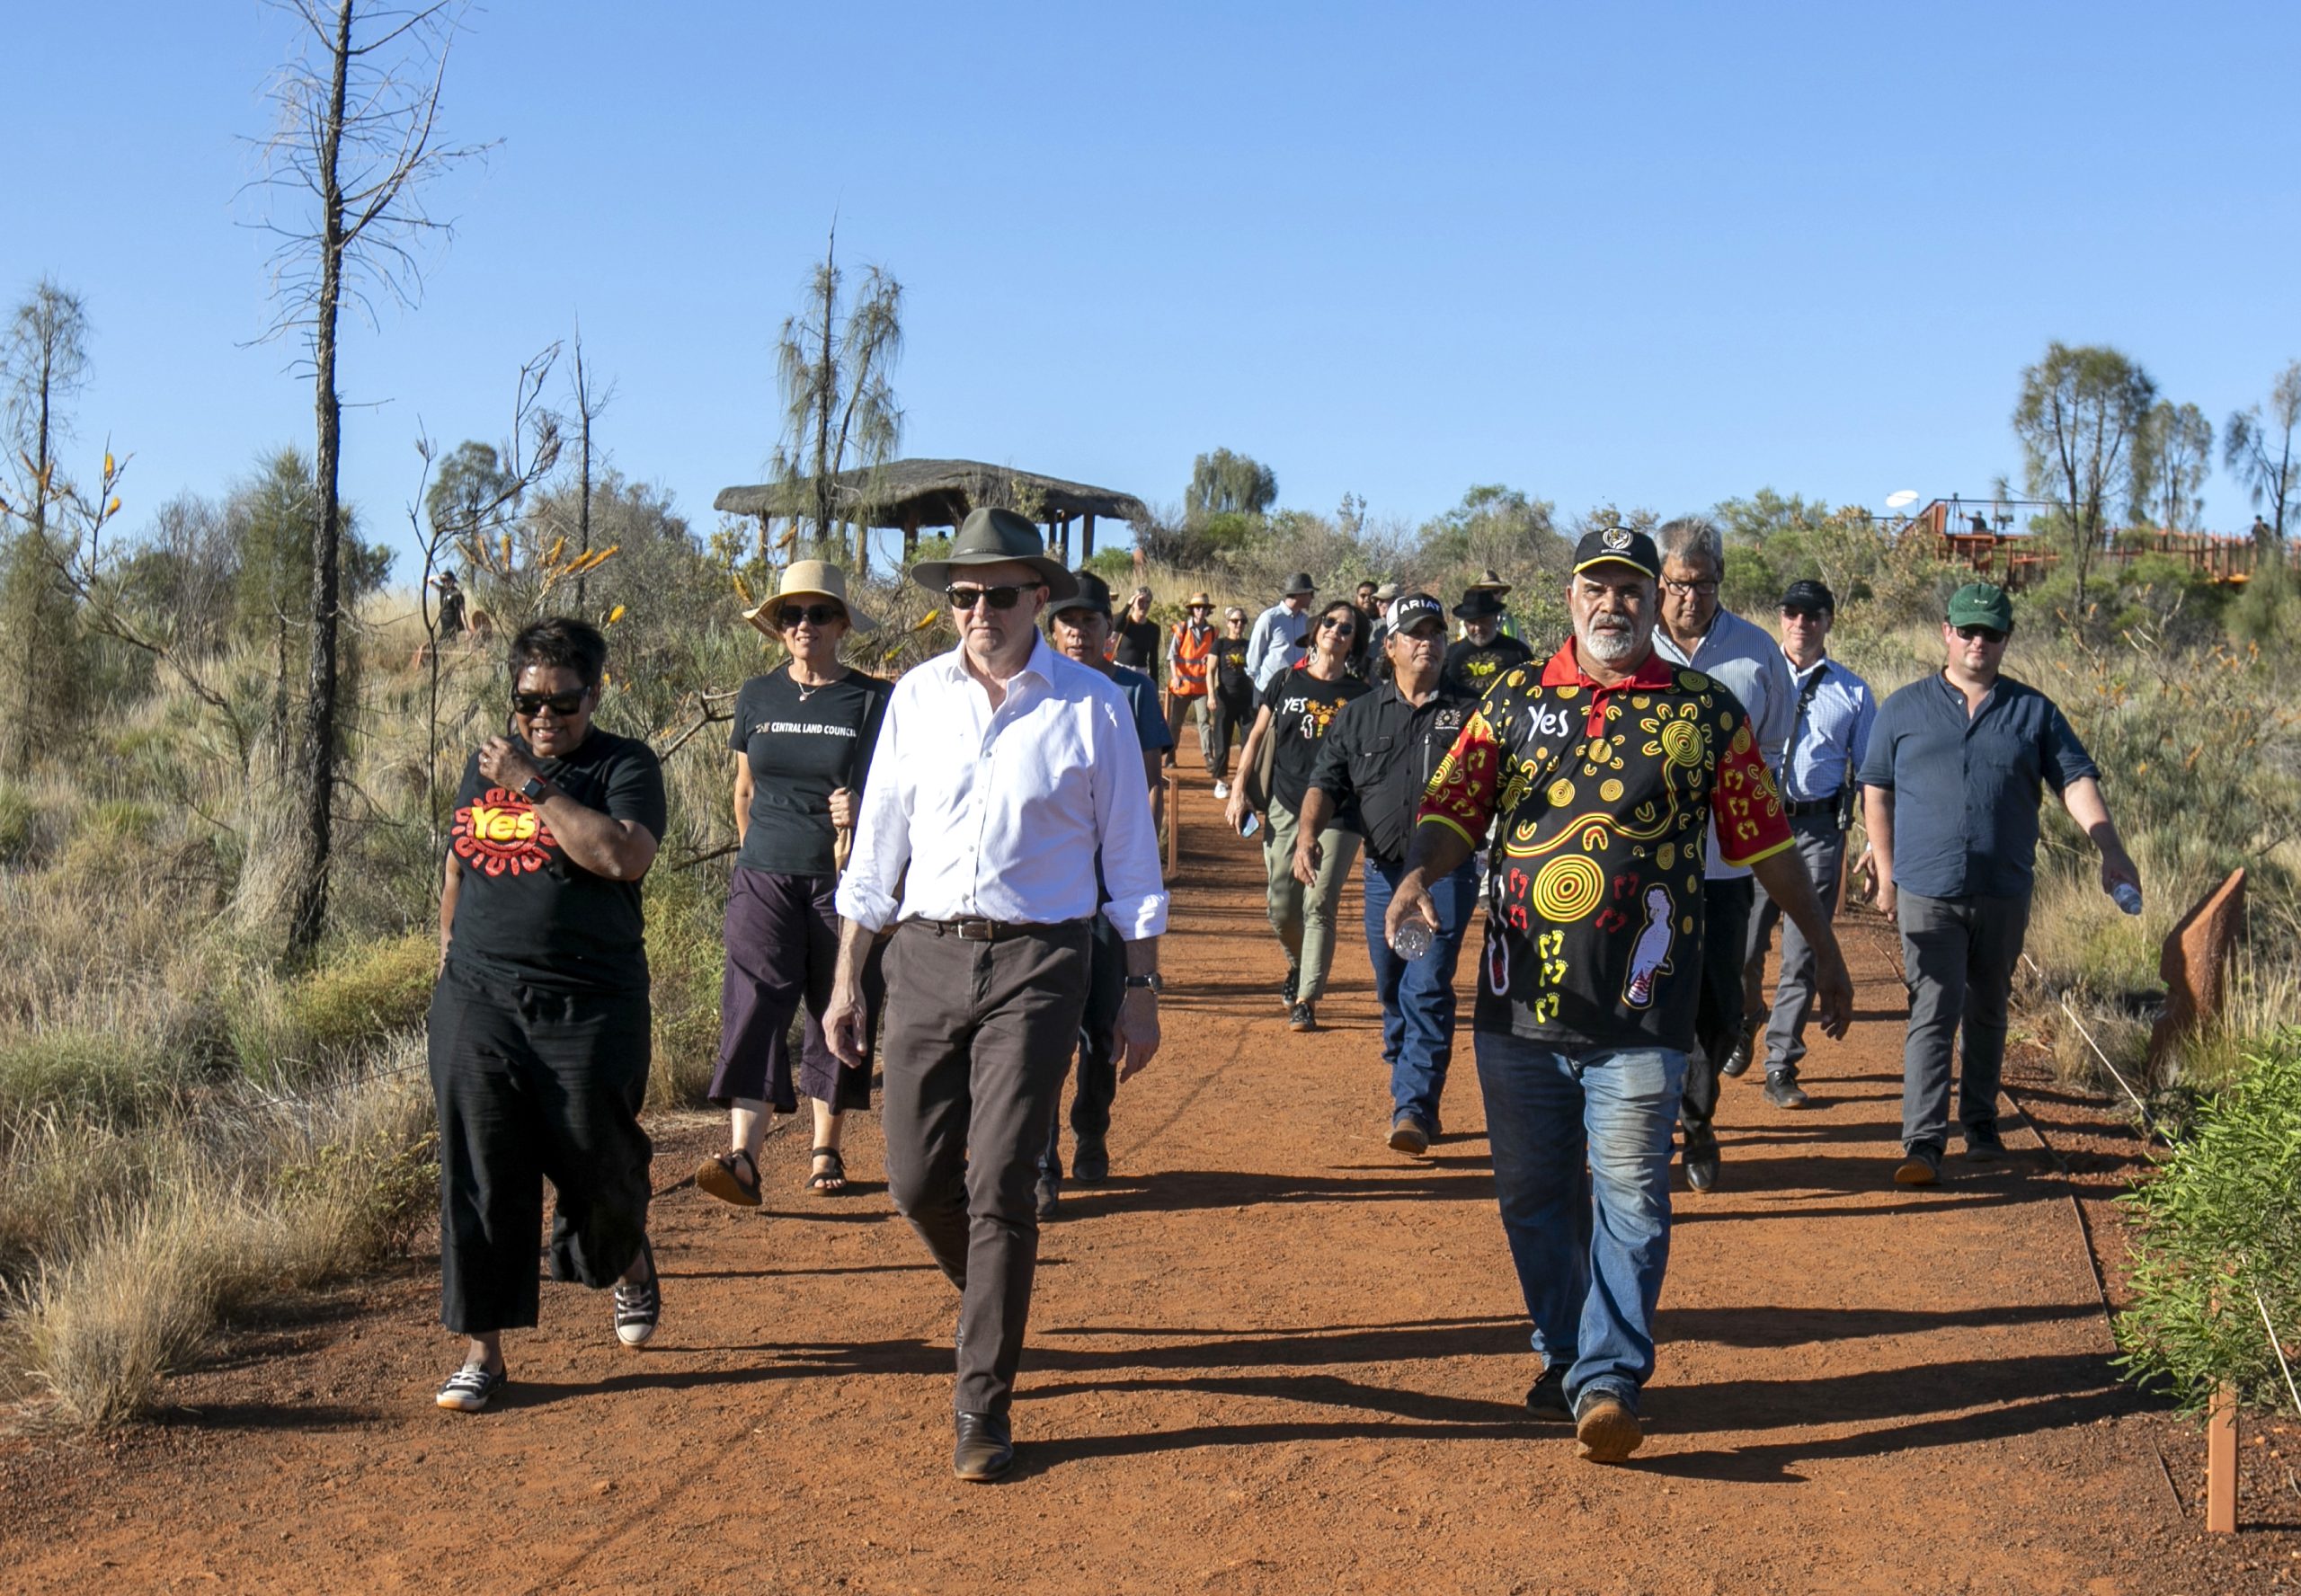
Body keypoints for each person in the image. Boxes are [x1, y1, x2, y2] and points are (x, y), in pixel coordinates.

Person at [1389, 528, 1852, 1462]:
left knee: (1633, 1195)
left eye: (1629, 592)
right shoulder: (1514, 699)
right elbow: (1453, 810)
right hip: (1519, 1005)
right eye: (1596, 589)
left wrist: (1824, 945)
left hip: (1646, 1008)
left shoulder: (1702, 710)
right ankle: (1564, 1351)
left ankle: (1606, 1378)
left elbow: (1764, 839)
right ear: (1570, 599)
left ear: (1654, 603)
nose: (1613, 606)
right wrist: (1416, 876)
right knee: (1532, 1195)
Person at [826, 507, 1168, 1483]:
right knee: (912, 1179)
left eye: (1000, 594)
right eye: (964, 595)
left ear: (1039, 598)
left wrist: (1139, 989)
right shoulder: (917, 701)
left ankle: (983, 1400)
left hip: (1040, 960)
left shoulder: (1092, 705)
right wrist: (849, 973)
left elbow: (1130, 862)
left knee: (1001, 1179)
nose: (979, 610)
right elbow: (876, 851)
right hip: (923, 954)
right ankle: (993, 1292)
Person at [428, 617, 668, 1414]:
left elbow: (617, 856)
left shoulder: (623, 765)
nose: (542, 718)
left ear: (592, 695)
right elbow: (462, 858)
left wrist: (532, 780)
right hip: (481, 993)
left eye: (562, 704)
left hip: (589, 999)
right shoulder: (482, 762)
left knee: (596, 1160)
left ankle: (624, 1258)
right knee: (482, 1165)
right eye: (528, 701)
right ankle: (483, 1351)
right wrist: (449, 952)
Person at [1860, 582, 2139, 1187]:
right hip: (1926, 889)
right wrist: (1885, 872)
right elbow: (1876, 790)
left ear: (2007, 638)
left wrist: (2109, 848)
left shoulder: (2033, 712)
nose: (1978, 642)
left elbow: (2075, 782)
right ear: (1946, 632)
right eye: (1968, 631)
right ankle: (1923, 1143)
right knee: (1934, 1010)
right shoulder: (1903, 709)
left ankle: (1981, 1126)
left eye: (1991, 633)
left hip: (2004, 888)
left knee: (1987, 1008)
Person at [698, 562, 890, 1207]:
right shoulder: (757, 695)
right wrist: (758, 849)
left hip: (842, 875)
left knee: (835, 999)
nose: (803, 625)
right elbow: (745, 790)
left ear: (841, 624)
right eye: (791, 615)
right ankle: (744, 1156)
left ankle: (824, 1146)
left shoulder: (870, 699)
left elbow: (893, 791)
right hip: (765, 872)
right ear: (778, 629)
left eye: (817, 614)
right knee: (753, 999)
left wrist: (859, 809)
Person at [1298, 593, 1477, 1152]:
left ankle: (1414, 1107)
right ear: (1390, 645)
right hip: (1381, 873)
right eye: (1415, 632)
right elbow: (1325, 782)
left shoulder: (1471, 715)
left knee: (1425, 985)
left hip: (1441, 875)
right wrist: (1307, 834)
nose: (1428, 641)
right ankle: (1408, 1076)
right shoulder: (1359, 715)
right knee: (1392, 986)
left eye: (1436, 632)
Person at [1649, 516, 1796, 1193]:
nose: (1689, 597)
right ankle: (1644, 1128)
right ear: (1659, 583)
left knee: (1717, 1004)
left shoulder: (1757, 654)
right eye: (1678, 584)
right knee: (1642, 996)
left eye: (1703, 584)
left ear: (1721, 582)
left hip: (1721, 867)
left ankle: (1699, 1124)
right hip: (1640, 866)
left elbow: (1771, 751)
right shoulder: (1628, 650)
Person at [1039, 569, 1172, 1216]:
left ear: (1107, 629)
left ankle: (1091, 1127)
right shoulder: (1034, 688)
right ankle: (1040, 1158)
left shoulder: (1132, 689)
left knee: (1098, 1020)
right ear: (1052, 626)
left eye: (1089, 620)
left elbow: (1149, 782)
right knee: (1040, 1027)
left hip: (1109, 883)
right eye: (1066, 620)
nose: (1077, 631)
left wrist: (1137, 862)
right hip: (1047, 886)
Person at [1733, 580, 1875, 1111]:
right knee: (1743, 947)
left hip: (1817, 831)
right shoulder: (1755, 679)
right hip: (1755, 829)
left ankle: (1781, 1063)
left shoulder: (1854, 692)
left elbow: (1871, 775)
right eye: (1791, 612)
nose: (1800, 623)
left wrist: (1876, 844)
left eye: (1812, 615)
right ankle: (1746, 1015)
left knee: (1802, 952)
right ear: (1781, 618)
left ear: (1828, 621)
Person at [1225, 600, 1371, 1032]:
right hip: (1285, 805)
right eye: (1330, 622)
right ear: (1315, 628)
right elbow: (1254, 737)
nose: (1336, 632)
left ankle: (1306, 998)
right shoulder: (1286, 680)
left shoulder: (1362, 696)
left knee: (1319, 903)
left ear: (1353, 643)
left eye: (1346, 629)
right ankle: (1297, 963)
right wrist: (1238, 789)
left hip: (1340, 814)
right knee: (1281, 905)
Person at [1442, 583, 1535, 700]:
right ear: (1465, 623)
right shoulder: (1451, 655)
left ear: (1496, 618)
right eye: (1472, 622)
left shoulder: (1519, 651)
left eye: (1483, 621)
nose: (1478, 627)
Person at [1164, 590, 1218, 776]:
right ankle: (1171, 755)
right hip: (1183, 686)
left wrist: (1209, 659)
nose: (1200, 611)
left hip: (1202, 686)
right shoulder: (1181, 629)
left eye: (1204, 608)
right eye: (1197, 608)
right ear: (1192, 610)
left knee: (1204, 722)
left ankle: (1208, 756)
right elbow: (1172, 656)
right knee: (1175, 723)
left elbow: (1215, 657)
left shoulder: (1212, 632)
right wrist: (1176, 676)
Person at [1208, 606, 1255, 797]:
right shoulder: (1219, 644)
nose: (1239, 625)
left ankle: (1245, 781)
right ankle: (1221, 780)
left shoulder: (1249, 644)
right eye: (1235, 621)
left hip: (1247, 699)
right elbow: (1210, 670)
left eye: (1242, 621)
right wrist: (1211, 695)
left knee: (1250, 740)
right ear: (1227, 623)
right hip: (1225, 698)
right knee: (1222, 739)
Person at [1247, 572, 1318, 689]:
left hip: (1295, 688)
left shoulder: (1305, 621)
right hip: (1268, 688)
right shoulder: (1270, 617)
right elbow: (1254, 652)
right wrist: (1259, 681)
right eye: (1311, 593)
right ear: (1300, 594)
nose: (1312, 597)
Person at [1114, 585, 1160, 678]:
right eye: (1141, 601)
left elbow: (1153, 660)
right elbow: (1115, 625)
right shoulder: (1125, 622)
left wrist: (1155, 686)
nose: (1144, 605)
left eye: (1147, 602)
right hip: (1120, 670)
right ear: (1134, 603)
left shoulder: (1153, 628)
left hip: (1141, 673)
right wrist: (1128, 605)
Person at [1365, 581, 1400, 684]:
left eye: (1383, 600)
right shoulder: (1372, 627)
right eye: (1377, 600)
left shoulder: (1411, 628)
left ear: (1396, 601)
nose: (1378, 604)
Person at [431, 569, 467, 638]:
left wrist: (466, 628)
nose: (445, 583)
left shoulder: (457, 594)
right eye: (443, 581)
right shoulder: (442, 590)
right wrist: (438, 577)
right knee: (446, 638)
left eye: (447, 580)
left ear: (452, 580)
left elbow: (462, 612)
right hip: (443, 618)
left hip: (452, 619)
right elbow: (429, 581)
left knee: (449, 638)